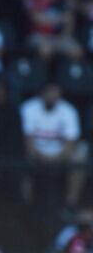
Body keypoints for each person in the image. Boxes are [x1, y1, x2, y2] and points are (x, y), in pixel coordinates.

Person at [20, 83, 86, 211]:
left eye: (55, 92)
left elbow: (71, 143)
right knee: (22, 157)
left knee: (79, 157)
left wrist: (56, 158)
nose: (52, 96)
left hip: (61, 155)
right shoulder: (29, 108)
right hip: (35, 153)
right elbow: (28, 142)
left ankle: (70, 204)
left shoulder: (68, 110)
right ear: (42, 93)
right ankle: (26, 204)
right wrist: (41, 156)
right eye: (49, 92)